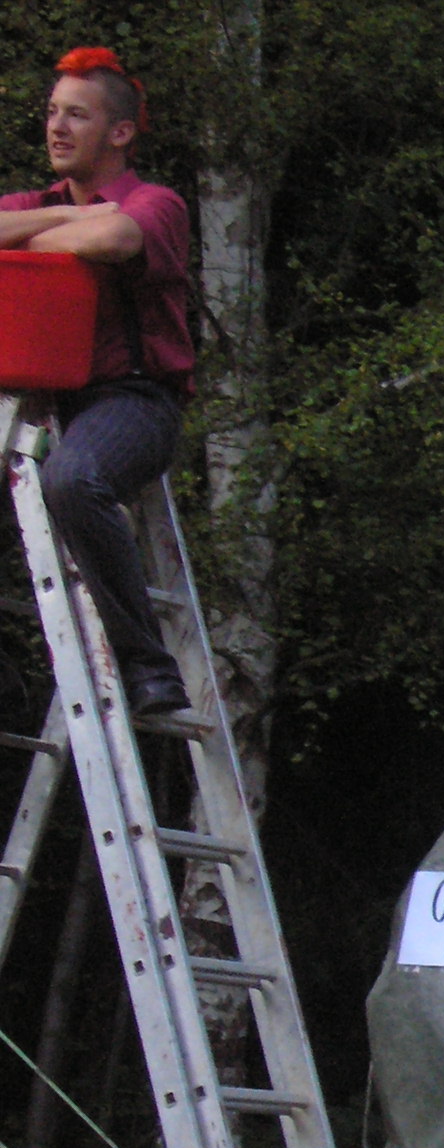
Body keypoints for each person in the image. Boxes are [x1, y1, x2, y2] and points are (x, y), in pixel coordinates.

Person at [0, 47, 194, 716]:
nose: (56, 128)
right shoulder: (43, 202)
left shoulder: (157, 203)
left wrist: (41, 237)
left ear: (120, 132)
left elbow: (115, 240)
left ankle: (148, 667)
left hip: (132, 400)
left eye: (76, 115)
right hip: (40, 398)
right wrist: (72, 218)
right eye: (53, 112)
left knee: (73, 479)